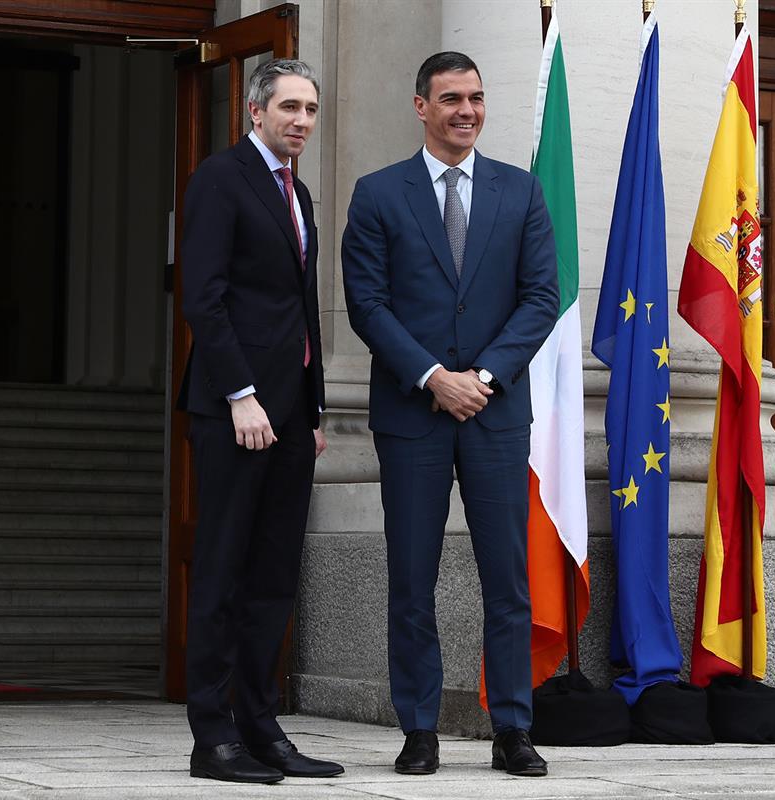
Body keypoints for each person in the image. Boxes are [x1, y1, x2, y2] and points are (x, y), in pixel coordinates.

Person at [341, 51, 559, 778]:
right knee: (412, 578)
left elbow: (540, 299)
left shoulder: (521, 192)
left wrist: (484, 377)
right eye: (451, 99)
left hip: (496, 414)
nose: (467, 110)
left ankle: (513, 730)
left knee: (509, 579)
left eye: (476, 97)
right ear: (421, 106)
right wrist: (434, 377)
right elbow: (367, 305)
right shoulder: (377, 194)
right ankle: (419, 731)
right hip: (412, 415)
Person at [177, 58, 339, 785]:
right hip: (233, 411)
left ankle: (262, 728)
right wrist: (242, 393)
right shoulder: (221, 177)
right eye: (290, 108)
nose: (302, 120)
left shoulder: (298, 190)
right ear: (254, 110)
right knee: (222, 572)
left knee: (273, 576)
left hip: (288, 418)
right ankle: (212, 738)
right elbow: (202, 297)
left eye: (310, 109)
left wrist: (310, 410)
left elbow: (297, 315)